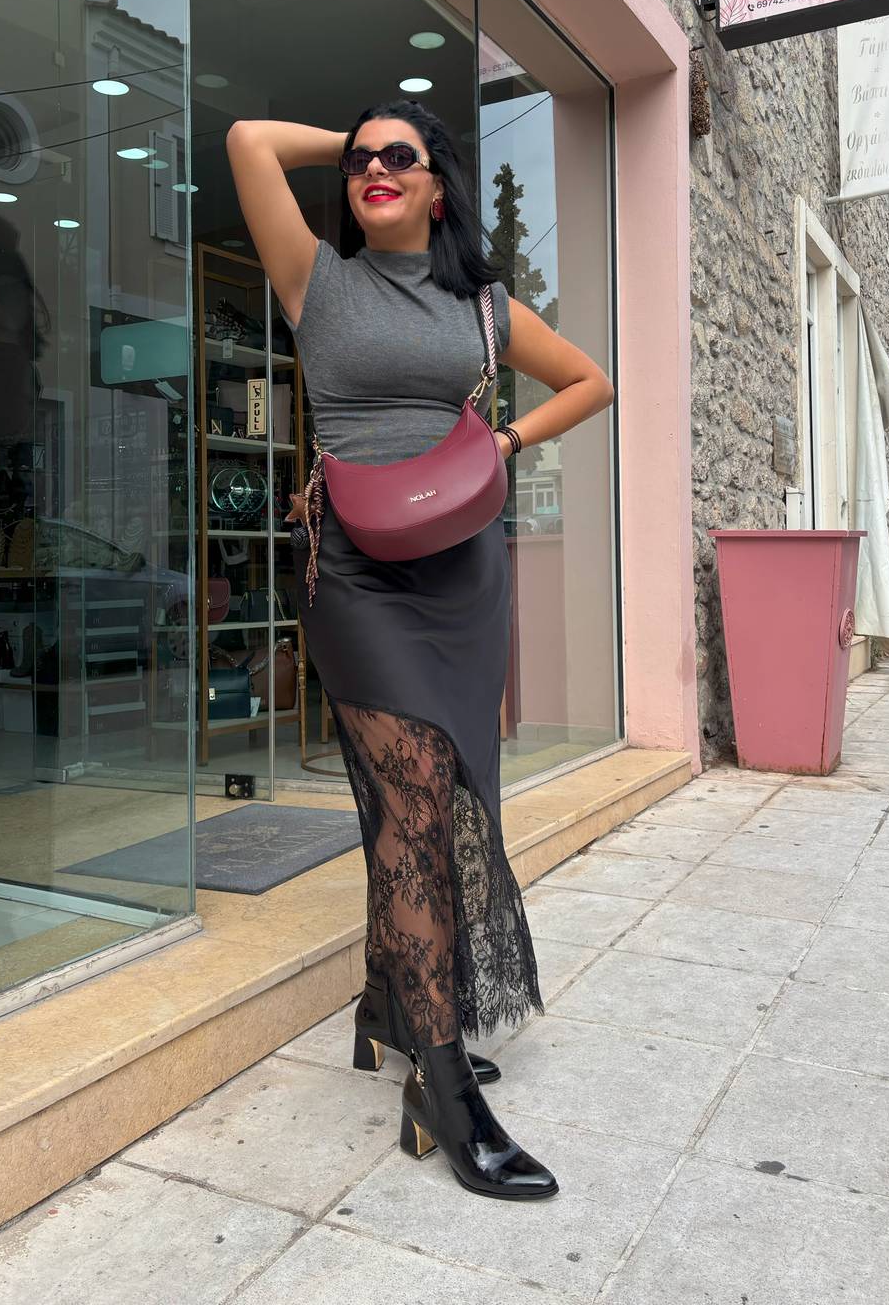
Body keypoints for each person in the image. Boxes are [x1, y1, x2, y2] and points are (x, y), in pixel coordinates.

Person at [226, 100, 613, 1201]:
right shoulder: (315, 279)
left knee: (431, 805)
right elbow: (249, 142)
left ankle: (387, 1011)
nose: (374, 170)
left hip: (461, 576)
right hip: (355, 573)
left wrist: (505, 438)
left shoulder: (484, 308)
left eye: (402, 157)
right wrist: (356, 135)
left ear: (440, 186)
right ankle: (442, 1090)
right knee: (413, 808)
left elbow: (592, 382)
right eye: (361, 161)